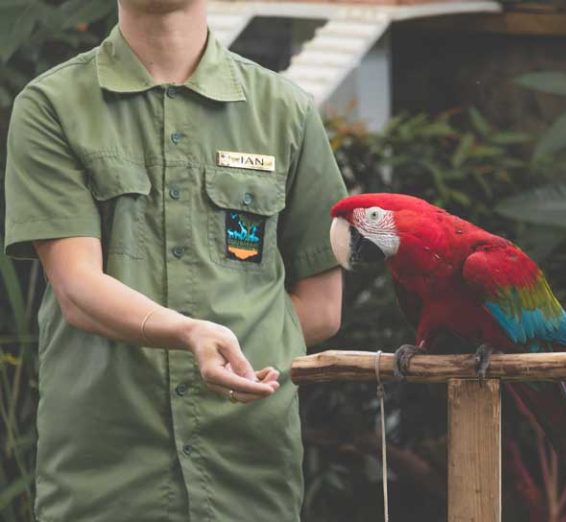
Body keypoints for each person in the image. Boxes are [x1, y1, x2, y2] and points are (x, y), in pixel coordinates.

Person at [3, 0, 347, 519]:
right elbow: (77, 288)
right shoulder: (54, 104)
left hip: (248, 472)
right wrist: (191, 335)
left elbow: (322, 309)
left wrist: (232, 351)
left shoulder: (285, 110)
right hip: (107, 478)